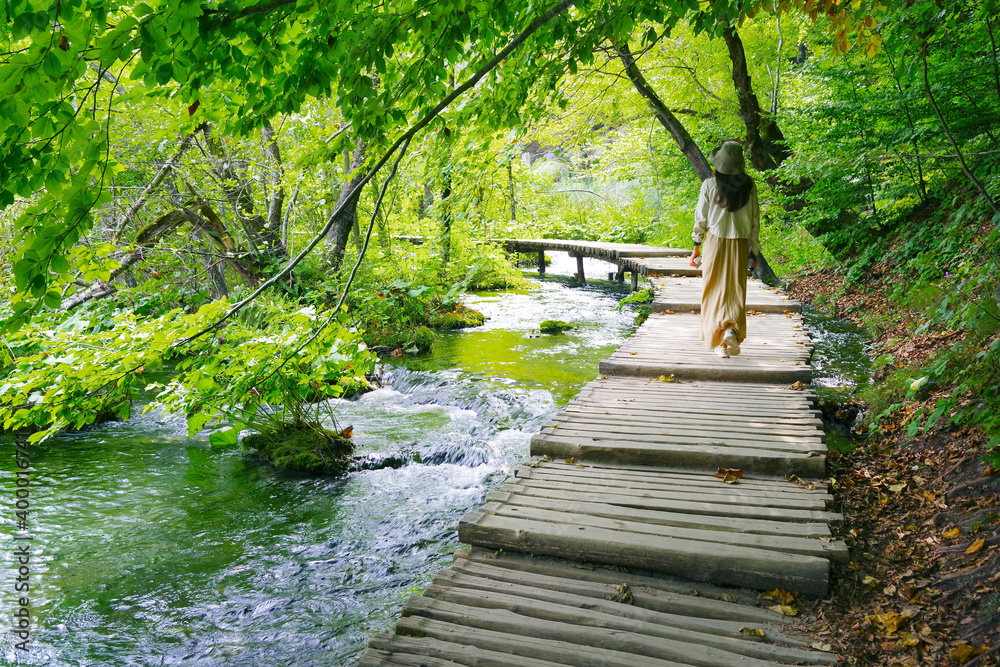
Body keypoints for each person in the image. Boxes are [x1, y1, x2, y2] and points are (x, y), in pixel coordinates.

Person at [689, 141, 761, 358]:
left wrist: (696, 245)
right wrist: (754, 250)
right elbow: (755, 221)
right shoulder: (749, 185)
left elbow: (701, 218)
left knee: (713, 289)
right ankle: (729, 334)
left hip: (715, 242)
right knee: (735, 290)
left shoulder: (710, 185)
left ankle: (721, 340)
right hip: (740, 243)